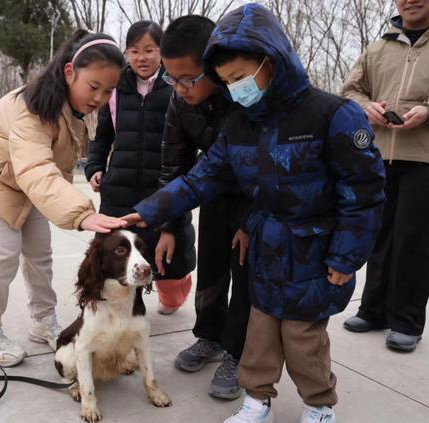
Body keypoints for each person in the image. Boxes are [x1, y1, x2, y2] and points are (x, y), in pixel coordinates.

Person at [123, 4, 386, 422]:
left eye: (241, 77)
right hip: (267, 245)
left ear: (273, 61)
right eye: (226, 81)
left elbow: (364, 194)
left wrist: (346, 257)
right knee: (259, 334)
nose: (235, 88)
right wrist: (146, 213)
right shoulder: (240, 124)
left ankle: (319, 405)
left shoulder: (331, 114)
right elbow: (199, 178)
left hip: (314, 252)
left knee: (303, 337)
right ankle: (257, 399)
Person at [0, 30, 127, 367]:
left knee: (39, 253)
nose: (100, 98)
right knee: (2, 254)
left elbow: (51, 171)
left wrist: (65, 205)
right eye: (94, 87)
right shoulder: (31, 108)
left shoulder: (71, 110)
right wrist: (80, 213)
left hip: (23, 182)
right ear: (70, 72)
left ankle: (44, 320)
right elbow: (34, 166)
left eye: (108, 90)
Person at [341, 0, 429, 352]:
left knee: (412, 239)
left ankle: (406, 321)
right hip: (378, 154)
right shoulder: (378, 47)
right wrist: (364, 108)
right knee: (379, 234)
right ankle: (373, 311)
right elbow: (350, 91)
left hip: (428, 156)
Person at [155, 15, 250, 401]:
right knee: (211, 265)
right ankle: (209, 335)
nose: (179, 89)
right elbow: (173, 167)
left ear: (213, 65)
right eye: (170, 79)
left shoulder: (246, 98)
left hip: (254, 197)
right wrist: (168, 226)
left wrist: (250, 220)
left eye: (188, 79)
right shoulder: (180, 105)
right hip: (213, 194)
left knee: (245, 274)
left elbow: (268, 168)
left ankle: (238, 352)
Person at [85, 21, 196, 315]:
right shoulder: (117, 87)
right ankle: (123, 306)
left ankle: (173, 292)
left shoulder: (176, 86)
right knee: (118, 255)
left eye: (149, 50)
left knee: (168, 262)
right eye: (134, 51)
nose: (141, 58)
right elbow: (103, 135)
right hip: (119, 190)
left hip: (162, 186)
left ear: (161, 52)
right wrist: (95, 166)